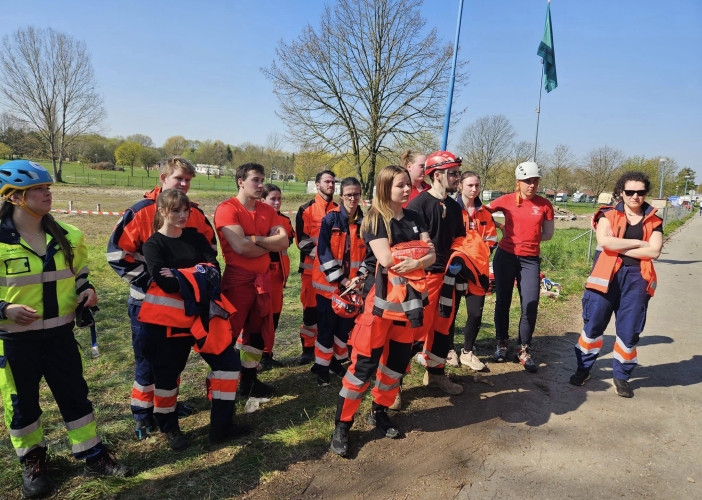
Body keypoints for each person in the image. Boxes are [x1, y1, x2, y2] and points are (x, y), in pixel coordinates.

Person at [0, 160, 129, 498]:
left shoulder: (69, 235)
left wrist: (87, 292)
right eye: (39, 189)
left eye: (48, 188)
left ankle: (93, 456)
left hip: (60, 336)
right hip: (14, 342)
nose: (48, 193)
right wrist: (5, 309)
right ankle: (33, 461)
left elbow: (80, 274)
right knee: (22, 404)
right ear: (14, 197)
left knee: (75, 397)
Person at [331, 165, 435, 457]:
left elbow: (432, 254)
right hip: (378, 307)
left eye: (407, 185)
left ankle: (379, 411)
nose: (407, 189)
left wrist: (416, 261)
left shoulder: (415, 217)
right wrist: (420, 254)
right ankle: (342, 425)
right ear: (385, 188)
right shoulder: (375, 220)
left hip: (408, 307)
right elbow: (388, 258)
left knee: (394, 368)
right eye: (400, 185)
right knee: (361, 369)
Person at [107, 156, 213, 440]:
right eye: (179, 178)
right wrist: (153, 282)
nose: (184, 184)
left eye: (189, 180)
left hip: (184, 304)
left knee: (173, 361)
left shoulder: (196, 215)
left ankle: (166, 408)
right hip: (145, 303)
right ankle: (143, 415)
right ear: (163, 178)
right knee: (147, 361)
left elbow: (209, 254)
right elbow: (117, 255)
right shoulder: (141, 212)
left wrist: (185, 281)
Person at [139, 190, 250, 450]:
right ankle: (170, 429)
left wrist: (180, 274)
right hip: (168, 324)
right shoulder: (153, 245)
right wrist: (197, 271)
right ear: (163, 211)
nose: (182, 215)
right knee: (167, 378)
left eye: (185, 210)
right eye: (176, 210)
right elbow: (165, 283)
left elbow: (214, 270)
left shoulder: (196, 237)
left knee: (229, 366)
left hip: (205, 318)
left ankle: (222, 427)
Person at [570, 171, 663, 398]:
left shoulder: (654, 219)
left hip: (637, 279)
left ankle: (621, 376)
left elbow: (655, 251)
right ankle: (583, 369)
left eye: (640, 192)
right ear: (622, 192)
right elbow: (604, 241)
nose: (635, 196)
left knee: (629, 332)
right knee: (593, 327)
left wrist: (618, 244)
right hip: (605, 277)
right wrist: (638, 242)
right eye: (629, 192)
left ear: (645, 194)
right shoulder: (608, 214)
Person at [215, 164, 289, 396]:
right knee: (228, 334)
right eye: (255, 180)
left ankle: (249, 379)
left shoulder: (268, 211)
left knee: (256, 333)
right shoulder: (228, 209)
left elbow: (283, 243)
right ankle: (224, 388)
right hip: (238, 281)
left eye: (262, 180)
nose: (260, 185)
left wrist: (254, 239)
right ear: (240, 181)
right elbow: (240, 248)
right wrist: (266, 243)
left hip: (263, 279)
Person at [407, 150, 466, 395]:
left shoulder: (453, 207)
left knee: (443, 329)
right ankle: (394, 385)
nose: (457, 178)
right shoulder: (417, 206)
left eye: (457, 173)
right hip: (423, 279)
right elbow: (408, 246)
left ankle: (436, 375)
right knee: (412, 334)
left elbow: (460, 239)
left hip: (447, 279)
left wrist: (462, 261)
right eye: (453, 174)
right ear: (437, 175)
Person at [486, 161, 554, 372]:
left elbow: (548, 234)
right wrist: (498, 227)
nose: (532, 185)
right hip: (505, 257)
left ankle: (523, 348)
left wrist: (530, 240)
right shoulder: (506, 200)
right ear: (518, 182)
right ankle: (501, 343)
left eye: (535, 181)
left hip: (530, 260)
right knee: (503, 302)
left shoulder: (544, 205)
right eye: (527, 181)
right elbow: (483, 212)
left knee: (530, 304)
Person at [311, 177, 366, 386]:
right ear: (341, 196)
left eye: (356, 194)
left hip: (352, 289)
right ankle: (321, 369)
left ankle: (335, 362)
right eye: (349, 195)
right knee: (326, 330)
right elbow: (323, 253)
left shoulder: (365, 222)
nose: (353, 198)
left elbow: (369, 255)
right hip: (329, 288)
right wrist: (342, 279)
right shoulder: (330, 220)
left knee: (344, 331)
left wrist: (359, 277)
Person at [449, 171, 498, 371]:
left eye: (477, 185)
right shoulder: (450, 209)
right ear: (460, 185)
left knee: (475, 314)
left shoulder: (485, 213)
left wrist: (475, 257)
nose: (474, 189)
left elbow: (491, 240)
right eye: (470, 185)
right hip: (453, 269)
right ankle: (449, 350)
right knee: (449, 313)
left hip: (478, 271)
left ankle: (468, 352)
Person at [296, 170, 337, 364]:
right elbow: (302, 241)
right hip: (311, 273)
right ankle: (308, 348)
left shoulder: (339, 209)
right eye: (327, 181)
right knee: (311, 312)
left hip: (333, 274)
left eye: (333, 182)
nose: (331, 185)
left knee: (331, 312)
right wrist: (324, 258)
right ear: (317, 184)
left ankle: (327, 347)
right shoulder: (306, 210)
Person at [261, 183, 295, 370]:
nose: (277, 202)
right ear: (263, 199)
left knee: (273, 316)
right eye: (272, 198)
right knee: (258, 315)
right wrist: (272, 239)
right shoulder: (257, 219)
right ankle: (248, 356)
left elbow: (286, 242)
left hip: (277, 274)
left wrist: (276, 240)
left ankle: (267, 354)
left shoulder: (285, 221)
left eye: (279, 198)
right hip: (260, 272)